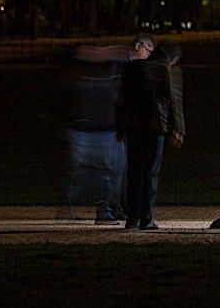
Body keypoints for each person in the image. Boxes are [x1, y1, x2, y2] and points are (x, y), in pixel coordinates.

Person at [62, 42, 133, 223]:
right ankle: (96, 207)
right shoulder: (82, 73)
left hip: (105, 129)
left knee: (109, 172)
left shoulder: (109, 73)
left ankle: (106, 209)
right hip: (88, 129)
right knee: (89, 172)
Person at [119, 38, 184, 230]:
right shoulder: (165, 70)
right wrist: (178, 129)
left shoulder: (133, 69)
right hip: (154, 129)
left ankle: (132, 218)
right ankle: (146, 218)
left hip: (133, 128)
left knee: (134, 172)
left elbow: (121, 99)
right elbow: (173, 100)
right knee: (150, 174)